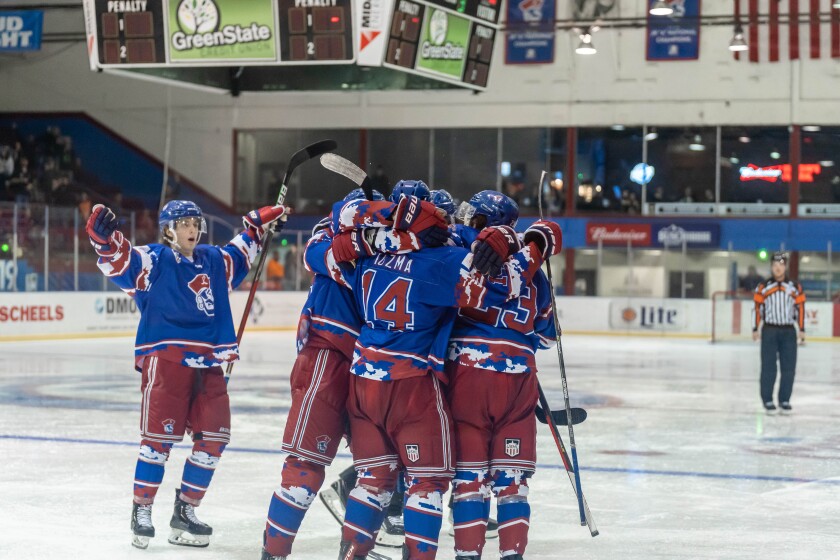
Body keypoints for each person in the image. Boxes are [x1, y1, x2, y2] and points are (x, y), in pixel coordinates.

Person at [306, 190, 557, 560]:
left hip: (387, 371)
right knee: (495, 482)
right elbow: (543, 330)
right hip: (508, 377)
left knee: (455, 478)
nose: (458, 220)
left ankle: (378, 522)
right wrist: (537, 242)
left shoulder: (389, 252)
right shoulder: (457, 258)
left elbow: (322, 247)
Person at [85, 199, 289, 549]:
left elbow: (239, 255)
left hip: (209, 360)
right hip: (167, 358)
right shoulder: (155, 259)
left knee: (214, 438)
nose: (191, 229)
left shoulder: (212, 259)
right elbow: (121, 261)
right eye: (183, 224)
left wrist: (257, 229)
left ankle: (185, 510)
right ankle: (142, 509)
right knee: (158, 442)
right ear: (168, 229)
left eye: (195, 222)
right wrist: (104, 240)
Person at [259, 187, 439, 560]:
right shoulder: (342, 225)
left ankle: (354, 543)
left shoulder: (416, 249)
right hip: (329, 355)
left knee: (381, 472)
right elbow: (328, 241)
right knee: (305, 469)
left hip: (371, 369)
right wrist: (387, 226)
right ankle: (274, 554)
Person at [752, 252, 806, 414]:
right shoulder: (763, 287)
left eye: (781, 265)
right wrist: (755, 328)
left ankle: (784, 399)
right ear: (771, 266)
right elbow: (757, 309)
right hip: (769, 330)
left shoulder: (795, 287)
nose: (778, 268)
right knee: (768, 366)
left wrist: (801, 329)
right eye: (775, 265)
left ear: (786, 266)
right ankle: (767, 399)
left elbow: (800, 308)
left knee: (788, 367)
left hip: (788, 331)